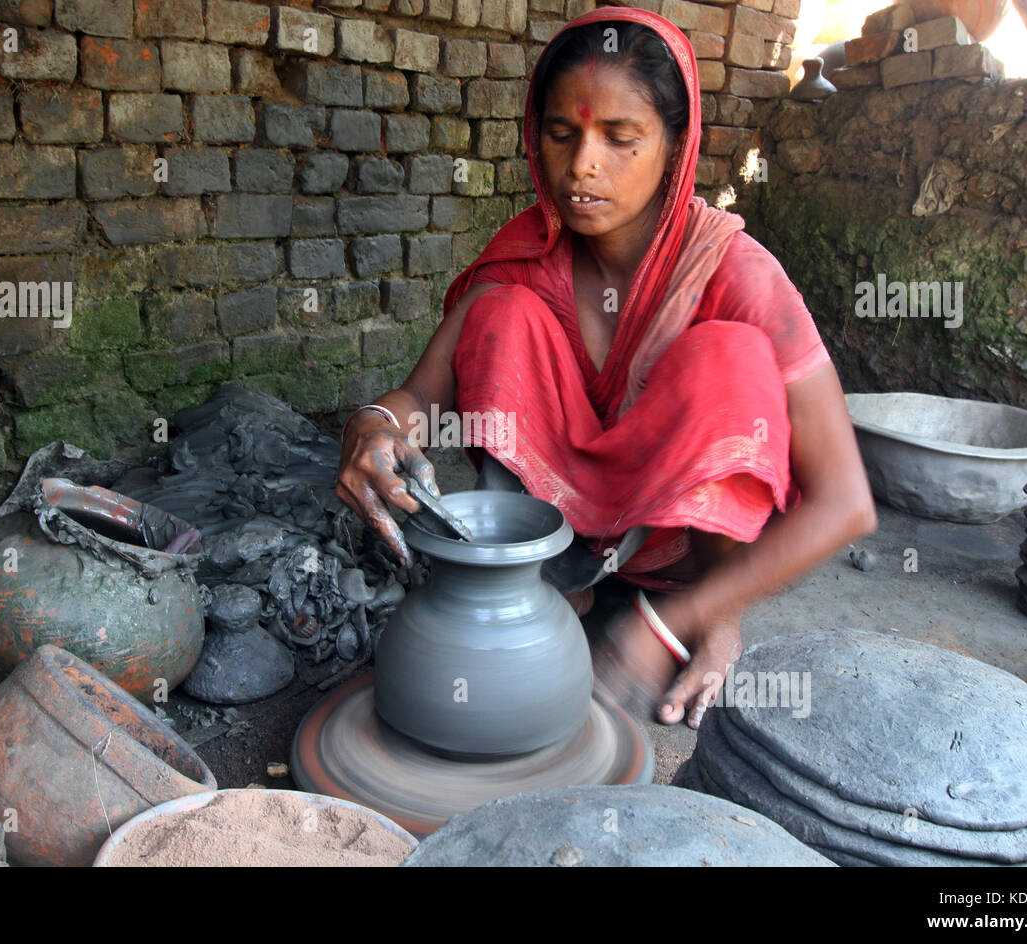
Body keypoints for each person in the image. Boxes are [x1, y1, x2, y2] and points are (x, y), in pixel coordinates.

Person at [335, 6, 877, 730]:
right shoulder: (528, 255)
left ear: (676, 144)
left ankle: (717, 617)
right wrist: (370, 430)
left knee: (729, 357)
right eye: (562, 135)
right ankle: (540, 578)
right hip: (563, 523)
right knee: (503, 315)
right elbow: (421, 398)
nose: (583, 164)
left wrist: (675, 621)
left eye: (620, 138)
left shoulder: (736, 274)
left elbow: (847, 502)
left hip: (683, 546)